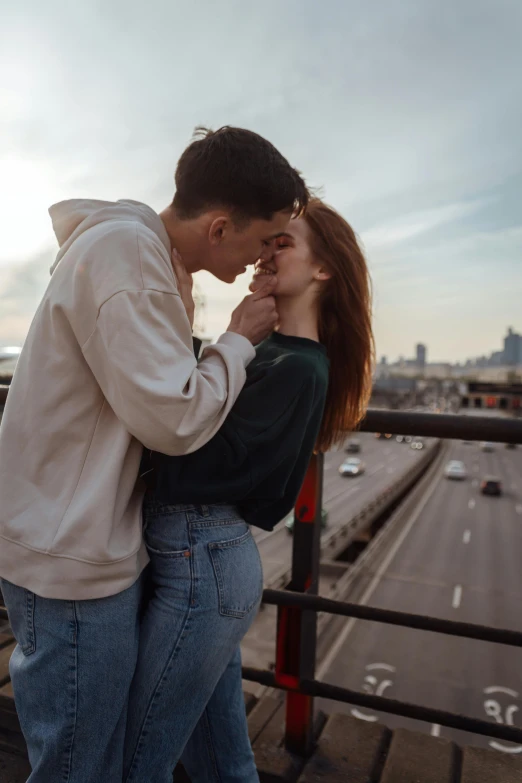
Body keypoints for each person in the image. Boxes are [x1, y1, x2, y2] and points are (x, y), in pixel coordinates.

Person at [0, 126, 308, 783]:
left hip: (69, 546)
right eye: (261, 239)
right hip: (72, 562)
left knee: (90, 760)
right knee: (81, 769)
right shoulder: (132, 259)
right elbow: (174, 419)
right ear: (222, 226)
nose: (259, 257)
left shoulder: (138, 255)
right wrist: (238, 338)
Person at [124, 199, 374, 782]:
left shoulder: (299, 367)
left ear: (323, 270)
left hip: (203, 564)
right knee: (221, 760)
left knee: (138, 755)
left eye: (282, 244)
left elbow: (194, 456)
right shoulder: (267, 351)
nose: (264, 253)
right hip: (198, 562)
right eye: (266, 242)